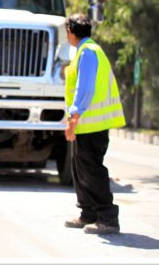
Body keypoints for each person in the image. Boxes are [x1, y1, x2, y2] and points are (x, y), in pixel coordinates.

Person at [63, 13, 125, 235]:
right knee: (81, 170)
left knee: (92, 170)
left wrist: (74, 117)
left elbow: (85, 88)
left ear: (70, 32)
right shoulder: (84, 51)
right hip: (86, 125)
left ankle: (107, 218)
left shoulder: (88, 52)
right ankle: (88, 213)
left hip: (91, 124)